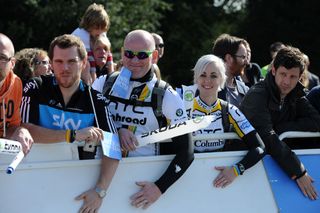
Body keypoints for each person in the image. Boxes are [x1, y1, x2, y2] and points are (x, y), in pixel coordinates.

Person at [92, 29, 194, 209]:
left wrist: (159, 188)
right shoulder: (104, 83)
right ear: (122, 53)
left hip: (140, 184)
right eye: (129, 54)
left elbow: (187, 152)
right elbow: (87, 122)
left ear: (154, 56)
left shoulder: (166, 95)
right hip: (100, 178)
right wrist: (117, 131)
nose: (134, 61)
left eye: (142, 55)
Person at [20, 34, 119, 212]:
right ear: (51, 63)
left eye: (72, 61)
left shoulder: (95, 99)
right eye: (58, 61)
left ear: (84, 63)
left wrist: (100, 191)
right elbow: (25, 129)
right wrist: (72, 135)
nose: (65, 68)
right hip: (32, 182)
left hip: (76, 191)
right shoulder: (36, 87)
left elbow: (113, 147)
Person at [240, 46, 320, 200]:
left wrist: (282, 128)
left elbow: (316, 121)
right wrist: (299, 171)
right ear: (273, 71)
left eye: (292, 76)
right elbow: (267, 137)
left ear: (300, 77)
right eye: (283, 74)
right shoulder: (258, 94)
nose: (287, 81)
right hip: (245, 165)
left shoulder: (296, 93)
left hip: (272, 166)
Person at [180, 54, 265, 187]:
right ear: (196, 78)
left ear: (221, 79)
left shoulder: (229, 110)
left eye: (213, 76)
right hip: (189, 179)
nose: (207, 80)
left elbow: (259, 148)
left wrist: (236, 170)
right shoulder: (184, 108)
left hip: (219, 180)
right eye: (203, 75)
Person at [0, 33, 33, 155]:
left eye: (2, 57)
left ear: (12, 63)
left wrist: (19, 131)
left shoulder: (16, 84)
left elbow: (10, 127)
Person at [72, 3, 111, 83]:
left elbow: (108, 52)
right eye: (97, 28)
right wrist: (93, 76)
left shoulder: (100, 33)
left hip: (88, 60)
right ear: (88, 24)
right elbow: (88, 57)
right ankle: (90, 86)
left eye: (102, 28)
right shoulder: (81, 34)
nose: (100, 31)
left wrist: (111, 71)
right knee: (87, 66)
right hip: (75, 59)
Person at [212, 33, 249, 107]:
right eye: (243, 57)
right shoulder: (208, 90)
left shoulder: (245, 90)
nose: (247, 62)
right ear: (229, 58)